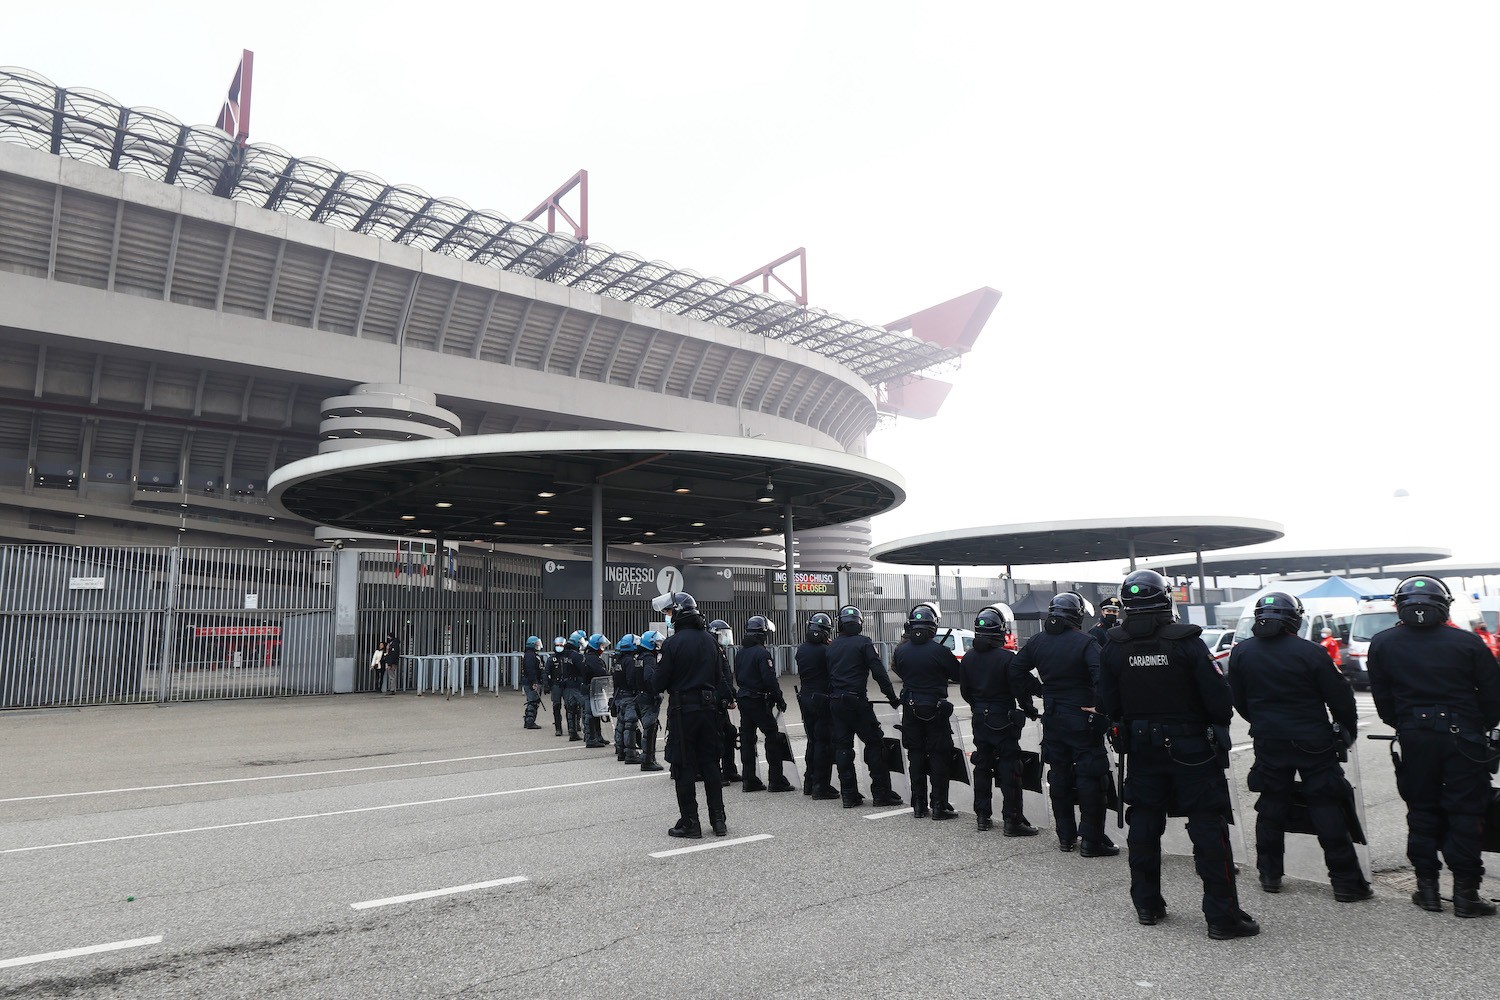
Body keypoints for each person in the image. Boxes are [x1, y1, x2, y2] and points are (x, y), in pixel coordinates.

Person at [1099, 569, 1257, 939]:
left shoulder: (1114, 646)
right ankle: (1221, 916)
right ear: (1166, 599)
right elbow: (1219, 700)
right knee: (1206, 825)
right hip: (1191, 749)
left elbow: (1106, 702)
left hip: (1141, 748)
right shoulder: (1187, 643)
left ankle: (1147, 904)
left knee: (1144, 826)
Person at [1368, 574, 1500, 917]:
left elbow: (1383, 700)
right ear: (1444, 606)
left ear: (1399, 606)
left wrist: (1406, 724)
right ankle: (1466, 894)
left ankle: (1427, 889)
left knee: (1422, 809)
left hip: (1415, 735)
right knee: (1466, 812)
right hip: (1464, 737)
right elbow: (1492, 697)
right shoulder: (1469, 643)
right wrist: (1479, 727)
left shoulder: (1383, 643)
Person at [1227, 593, 1371, 902]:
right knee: (1325, 804)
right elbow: (1340, 698)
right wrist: (1346, 731)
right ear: (1294, 618)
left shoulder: (1242, 653)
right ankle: (1346, 882)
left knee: (1271, 804)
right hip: (1313, 740)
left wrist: (1262, 721)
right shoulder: (1312, 652)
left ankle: (1269, 874)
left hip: (1269, 738)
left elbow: (1238, 699)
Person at [1010, 592, 1117, 856]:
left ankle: (1065, 838)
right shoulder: (1086, 642)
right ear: (1077, 615)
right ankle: (1092, 840)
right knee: (1092, 776)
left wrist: (1040, 691)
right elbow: (1103, 677)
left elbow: (1015, 669)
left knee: (1059, 775)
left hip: (1054, 718)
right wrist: (1103, 708)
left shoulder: (1037, 641)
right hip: (1082, 716)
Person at [651, 591, 731, 838]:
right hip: (709, 711)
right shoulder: (709, 640)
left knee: (684, 766)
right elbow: (720, 677)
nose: (668, 617)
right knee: (710, 765)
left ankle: (690, 822)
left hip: (682, 711)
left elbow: (658, 683)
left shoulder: (672, 643)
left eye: (669, 612)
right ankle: (718, 821)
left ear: (679, 613)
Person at [961, 604, 1039, 835]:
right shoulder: (1007, 658)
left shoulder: (968, 657)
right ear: (1000, 630)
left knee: (982, 766)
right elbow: (1020, 689)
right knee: (1009, 768)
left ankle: (983, 817)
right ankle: (1013, 820)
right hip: (1002, 717)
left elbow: (965, 691)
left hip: (979, 717)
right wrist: (1029, 709)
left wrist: (978, 707)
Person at [827, 605, 904, 809]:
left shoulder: (832, 646)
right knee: (874, 744)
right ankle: (881, 794)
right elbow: (879, 672)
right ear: (859, 624)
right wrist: (892, 696)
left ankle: (849, 795)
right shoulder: (864, 642)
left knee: (843, 748)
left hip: (836, 701)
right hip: (856, 701)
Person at [891, 603, 963, 820]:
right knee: (939, 756)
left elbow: (899, 670)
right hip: (935, 709)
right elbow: (958, 675)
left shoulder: (900, 651)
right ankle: (940, 805)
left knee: (916, 756)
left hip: (911, 708)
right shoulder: (940, 651)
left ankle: (919, 805)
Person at [734, 615, 795, 793]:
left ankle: (749, 779)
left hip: (744, 698)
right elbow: (769, 679)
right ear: (763, 633)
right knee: (772, 737)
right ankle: (776, 780)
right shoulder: (762, 653)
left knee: (747, 740)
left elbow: (737, 676)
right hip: (758, 699)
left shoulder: (741, 652)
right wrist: (779, 698)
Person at [796, 612, 841, 801]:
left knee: (812, 741)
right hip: (822, 699)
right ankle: (821, 786)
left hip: (805, 697)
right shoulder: (827, 651)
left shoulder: (801, 649)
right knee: (824, 743)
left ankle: (809, 782)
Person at [709, 619, 743, 786]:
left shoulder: (719, 649)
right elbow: (720, 677)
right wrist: (729, 697)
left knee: (728, 733)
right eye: (723, 634)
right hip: (716, 700)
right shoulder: (713, 650)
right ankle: (719, 773)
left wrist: (732, 694)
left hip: (721, 698)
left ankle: (729, 769)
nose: (726, 637)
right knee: (718, 736)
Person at [635, 631, 665, 772]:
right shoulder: (649, 659)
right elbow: (649, 677)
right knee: (650, 729)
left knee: (649, 728)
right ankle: (648, 760)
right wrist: (656, 692)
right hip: (648, 697)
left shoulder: (639, 657)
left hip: (641, 696)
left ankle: (648, 758)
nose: (658, 645)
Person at [612, 634, 644, 764]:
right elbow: (631, 679)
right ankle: (630, 754)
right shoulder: (630, 661)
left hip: (620, 696)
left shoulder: (618, 660)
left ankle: (621, 752)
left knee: (621, 724)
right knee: (630, 725)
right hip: (629, 696)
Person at [583, 633, 612, 749]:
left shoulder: (590, 656)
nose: (603, 647)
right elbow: (601, 673)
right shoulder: (592, 659)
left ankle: (598, 736)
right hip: (591, 689)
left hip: (592, 688)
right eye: (601, 645)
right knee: (590, 714)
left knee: (596, 713)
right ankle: (591, 738)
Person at [560, 631, 587, 741]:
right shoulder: (577, 656)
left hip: (566, 685)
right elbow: (583, 669)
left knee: (570, 709)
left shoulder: (564, 654)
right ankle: (588, 732)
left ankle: (572, 732)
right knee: (585, 707)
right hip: (576, 685)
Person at [520, 636, 545, 730]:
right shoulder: (530, 656)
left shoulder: (533, 654)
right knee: (533, 701)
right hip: (532, 682)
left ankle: (528, 720)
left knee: (534, 700)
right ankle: (530, 721)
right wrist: (534, 682)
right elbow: (531, 670)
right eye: (537, 644)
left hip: (533, 681)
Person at [546, 637, 567, 736]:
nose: (559, 647)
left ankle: (574, 726)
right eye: (557, 645)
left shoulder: (567, 658)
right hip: (556, 684)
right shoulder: (551, 659)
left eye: (561, 645)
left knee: (571, 706)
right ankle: (558, 728)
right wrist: (546, 685)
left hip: (567, 684)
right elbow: (546, 672)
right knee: (556, 706)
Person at [380, 631, 400, 695]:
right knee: (391, 676)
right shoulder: (394, 643)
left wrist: (389, 664)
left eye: (388, 636)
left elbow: (392, 655)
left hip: (391, 662)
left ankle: (392, 690)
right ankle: (392, 689)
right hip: (391, 662)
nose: (387, 637)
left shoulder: (393, 644)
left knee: (392, 676)